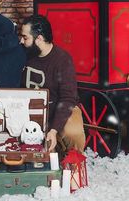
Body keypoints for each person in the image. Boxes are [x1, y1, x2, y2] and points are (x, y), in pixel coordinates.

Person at [20, 15, 85, 153]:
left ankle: (73, 163)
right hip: (30, 112)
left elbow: (68, 99)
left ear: (39, 39)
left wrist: (54, 129)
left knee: (73, 133)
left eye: (25, 38)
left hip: (60, 108)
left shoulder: (62, 60)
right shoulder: (23, 54)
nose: (21, 41)